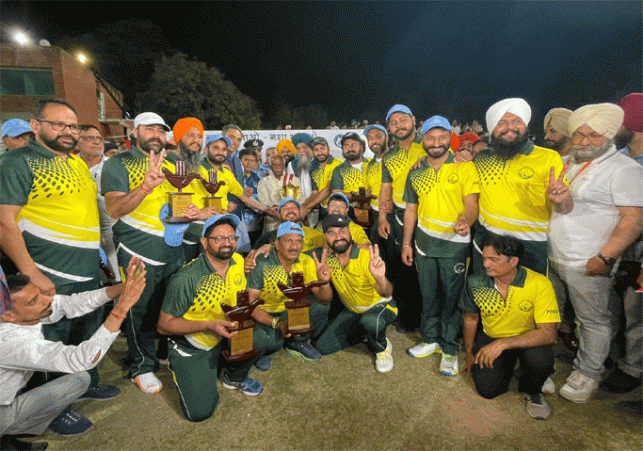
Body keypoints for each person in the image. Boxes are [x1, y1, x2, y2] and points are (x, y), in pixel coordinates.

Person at [0, 99, 118, 408]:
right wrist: (33, 273)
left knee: (86, 327)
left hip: (86, 269)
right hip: (49, 271)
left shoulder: (76, 161)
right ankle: (52, 407)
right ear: (36, 126)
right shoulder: (19, 161)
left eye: (73, 126)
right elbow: (4, 222)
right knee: (48, 340)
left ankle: (85, 384)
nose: (67, 131)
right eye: (58, 124)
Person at [548, 103, 643, 403]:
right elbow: (565, 208)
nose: (585, 141)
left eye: (594, 135)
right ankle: (550, 364)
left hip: (588, 261)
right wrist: (560, 201)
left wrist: (606, 257)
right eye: (579, 134)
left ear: (610, 134)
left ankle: (589, 373)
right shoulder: (568, 162)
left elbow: (634, 220)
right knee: (553, 315)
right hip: (554, 256)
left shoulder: (625, 169)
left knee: (592, 321)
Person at [0, 258, 146, 442]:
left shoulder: (13, 314)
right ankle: (10, 433)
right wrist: (121, 308)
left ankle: (20, 431)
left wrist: (125, 287)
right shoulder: (9, 341)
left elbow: (70, 303)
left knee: (80, 380)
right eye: (34, 301)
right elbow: (82, 359)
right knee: (79, 373)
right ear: (8, 315)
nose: (48, 300)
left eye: (41, 293)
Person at [101, 112, 189, 394]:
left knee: (171, 305)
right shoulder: (118, 162)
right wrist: (145, 186)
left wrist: (194, 213)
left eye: (161, 131)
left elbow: (182, 201)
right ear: (135, 132)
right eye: (149, 129)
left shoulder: (175, 161)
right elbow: (114, 209)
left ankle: (166, 355)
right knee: (139, 310)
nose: (156, 135)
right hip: (138, 248)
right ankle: (142, 366)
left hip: (173, 247)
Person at [157, 215, 266, 422]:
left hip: (224, 334)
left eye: (231, 237)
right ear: (204, 242)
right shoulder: (186, 278)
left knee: (260, 336)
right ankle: (183, 364)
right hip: (193, 344)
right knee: (200, 412)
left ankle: (233, 377)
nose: (227, 242)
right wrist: (209, 325)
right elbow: (163, 326)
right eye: (219, 238)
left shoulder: (238, 262)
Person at [402, 116, 480, 376]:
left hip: (454, 246)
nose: (436, 143)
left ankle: (449, 347)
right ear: (422, 139)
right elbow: (411, 210)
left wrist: (466, 222)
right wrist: (406, 243)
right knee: (428, 295)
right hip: (424, 245)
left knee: (452, 298)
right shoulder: (416, 171)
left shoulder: (464, 167)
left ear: (450, 139)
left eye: (441, 137)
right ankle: (431, 339)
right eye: (430, 137)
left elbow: (472, 204)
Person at [461, 234, 559, 420]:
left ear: (513, 261)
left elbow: (549, 334)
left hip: (527, 339)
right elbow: (471, 318)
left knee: (539, 361)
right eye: (485, 258)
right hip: (491, 337)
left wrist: (503, 344)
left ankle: (532, 390)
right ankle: (509, 367)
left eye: (493, 260)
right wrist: (469, 353)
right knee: (488, 390)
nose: (486, 265)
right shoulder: (475, 282)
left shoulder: (539, 283)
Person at [472, 98, 573, 276]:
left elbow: (564, 207)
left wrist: (561, 200)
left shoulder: (548, 158)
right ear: (492, 129)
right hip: (487, 240)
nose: (510, 127)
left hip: (530, 245)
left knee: (527, 300)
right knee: (486, 296)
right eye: (501, 122)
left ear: (525, 125)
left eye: (517, 121)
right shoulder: (482, 158)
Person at [313, 214, 396, 373]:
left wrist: (380, 278)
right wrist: (266, 246)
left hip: (380, 307)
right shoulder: (327, 258)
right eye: (332, 233)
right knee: (322, 346)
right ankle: (368, 333)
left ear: (350, 233)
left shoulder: (366, 255)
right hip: (353, 310)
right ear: (326, 238)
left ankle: (381, 347)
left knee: (372, 321)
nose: (338, 237)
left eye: (342, 231)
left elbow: (386, 293)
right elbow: (294, 248)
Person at [601, 93, 643, 402]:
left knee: (635, 308)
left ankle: (633, 368)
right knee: (611, 303)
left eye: (619, 120)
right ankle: (608, 356)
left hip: (638, 249)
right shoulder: (621, 157)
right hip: (613, 242)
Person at [247, 221, 333, 363]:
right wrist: (276, 322)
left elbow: (325, 299)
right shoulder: (261, 262)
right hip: (264, 313)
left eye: (299, 241)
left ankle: (297, 342)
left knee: (320, 306)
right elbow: (251, 304)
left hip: (288, 310)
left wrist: (324, 282)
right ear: (278, 244)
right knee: (271, 343)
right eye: (289, 241)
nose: (294, 247)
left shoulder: (306, 260)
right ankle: (260, 351)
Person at [377, 104, 426, 331]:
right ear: (389, 128)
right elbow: (385, 188)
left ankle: (429, 316)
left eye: (402, 120)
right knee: (402, 268)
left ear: (413, 119)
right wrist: (382, 218)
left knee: (424, 270)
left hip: (428, 216)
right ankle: (408, 316)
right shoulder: (390, 156)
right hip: (399, 216)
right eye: (393, 123)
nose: (399, 125)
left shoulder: (430, 145)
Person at [77, 124, 120, 284]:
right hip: (82, 234)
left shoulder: (116, 166)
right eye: (89, 138)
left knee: (116, 280)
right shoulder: (69, 166)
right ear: (77, 142)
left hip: (112, 233)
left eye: (99, 138)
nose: (96, 142)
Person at [251, 197, 326, 252]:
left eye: (294, 207)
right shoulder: (267, 238)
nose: (290, 210)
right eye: (285, 208)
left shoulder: (317, 235)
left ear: (300, 213)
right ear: (279, 214)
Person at [298, 136, 343, 221]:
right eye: (316, 150)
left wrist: (306, 207)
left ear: (328, 149)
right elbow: (314, 194)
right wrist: (302, 207)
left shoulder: (338, 165)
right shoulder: (314, 171)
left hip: (339, 210)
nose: (320, 153)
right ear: (312, 152)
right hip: (323, 210)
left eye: (322, 149)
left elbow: (328, 190)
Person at [257, 154, 303, 233]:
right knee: (272, 242)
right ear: (271, 167)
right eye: (275, 165)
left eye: (280, 164)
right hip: (272, 221)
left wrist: (291, 208)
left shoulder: (294, 180)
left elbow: (301, 198)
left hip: (292, 218)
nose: (278, 167)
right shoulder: (263, 181)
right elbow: (263, 201)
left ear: (284, 166)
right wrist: (273, 206)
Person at [363, 124, 389, 242]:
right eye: (370, 138)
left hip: (392, 214)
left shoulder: (397, 158)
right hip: (374, 214)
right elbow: (369, 190)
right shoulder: (370, 164)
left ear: (387, 138)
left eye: (378, 136)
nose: (374, 141)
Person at [239, 147, 263, 247]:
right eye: (246, 160)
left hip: (255, 225)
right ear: (239, 160)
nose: (249, 163)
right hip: (238, 224)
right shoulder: (234, 177)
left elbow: (263, 201)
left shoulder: (260, 180)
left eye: (252, 161)